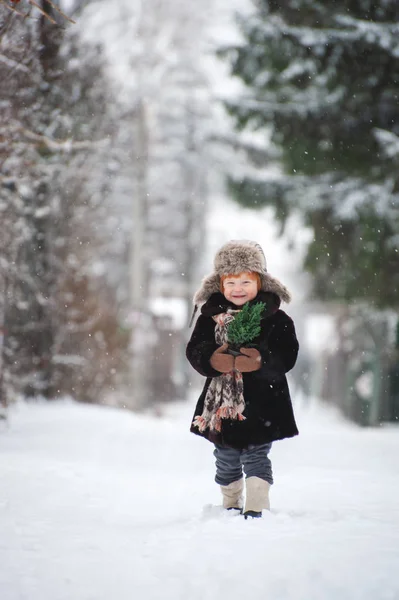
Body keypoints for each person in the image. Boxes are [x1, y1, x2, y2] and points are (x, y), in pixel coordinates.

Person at [186, 240, 299, 519]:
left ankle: (257, 506)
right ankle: (231, 500)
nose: (238, 289)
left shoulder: (277, 319)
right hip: (222, 404)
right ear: (220, 284)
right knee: (225, 458)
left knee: (256, 454)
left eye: (246, 281)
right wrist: (212, 359)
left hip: (264, 402)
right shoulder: (210, 319)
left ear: (260, 282)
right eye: (231, 282)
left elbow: (288, 355)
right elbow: (195, 349)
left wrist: (262, 361)